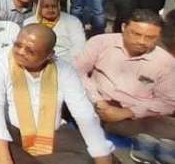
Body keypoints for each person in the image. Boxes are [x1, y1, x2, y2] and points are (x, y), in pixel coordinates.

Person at [0, 24, 115, 164]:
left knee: (93, 154)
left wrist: (102, 157)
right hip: (13, 133)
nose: (20, 52)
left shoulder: (64, 70)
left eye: (30, 51)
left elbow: (84, 113)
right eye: (18, 45)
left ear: (49, 55)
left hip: (51, 134)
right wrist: (3, 158)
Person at [74, 9, 175, 161]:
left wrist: (128, 112)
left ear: (158, 37)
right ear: (123, 28)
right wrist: (97, 101)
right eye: (136, 34)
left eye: (150, 38)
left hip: (136, 117)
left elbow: (168, 102)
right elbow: (77, 71)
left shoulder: (165, 62)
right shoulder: (100, 42)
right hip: (95, 105)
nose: (141, 41)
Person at [24, 0, 86, 64]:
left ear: (59, 6)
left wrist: (62, 63)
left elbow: (79, 46)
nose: (50, 10)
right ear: (38, 7)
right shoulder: (29, 23)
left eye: (54, 6)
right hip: (37, 62)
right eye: (46, 6)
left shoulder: (73, 21)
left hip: (67, 63)